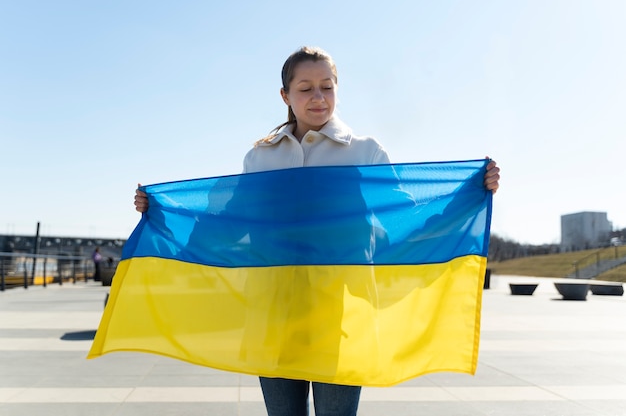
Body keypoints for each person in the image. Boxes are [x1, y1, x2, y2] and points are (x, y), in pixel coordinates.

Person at [134, 46, 500, 416]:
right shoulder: (261, 158)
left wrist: (467, 196)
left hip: (341, 313)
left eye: (327, 86)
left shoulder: (364, 152)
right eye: (306, 88)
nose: (318, 97)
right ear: (285, 96)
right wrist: (162, 215)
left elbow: (404, 218)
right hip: (272, 314)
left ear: (337, 90)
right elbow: (228, 227)